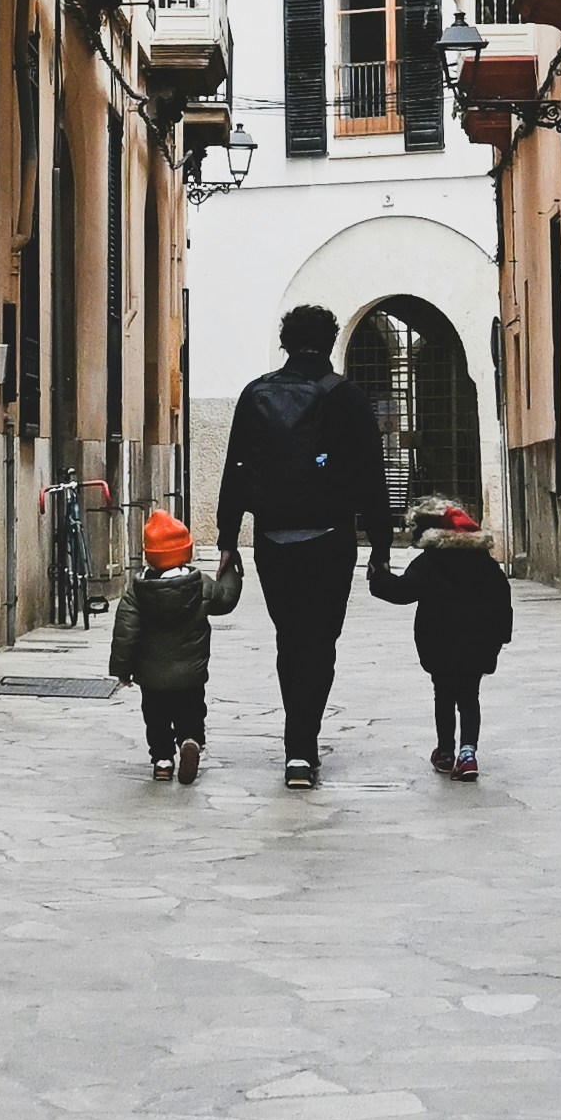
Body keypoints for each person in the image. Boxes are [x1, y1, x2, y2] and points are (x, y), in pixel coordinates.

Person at [215, 303, 395, 788]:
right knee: (320, 641)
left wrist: (228, 538)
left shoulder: (256, 393)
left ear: (286, 343)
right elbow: (372, 477)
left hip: (272, 539)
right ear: (332, 342)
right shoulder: (347, 397)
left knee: (288, 639)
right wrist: (381, 545)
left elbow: (235, 468)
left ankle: (296, 748)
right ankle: (302, 748)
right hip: (331, 541)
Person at [371, 493, 515, 777]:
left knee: (444, 695)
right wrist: (500, 638)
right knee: (469, 697)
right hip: (478, 645)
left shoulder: (430, 562)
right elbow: (503, 600)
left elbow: (402, 592)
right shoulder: (484, 563)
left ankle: (446, 752)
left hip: (440, 644)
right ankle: (468, 753)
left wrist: (379, 577)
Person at [107, 506, 235, 785]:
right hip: (191, 673)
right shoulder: (200, 584)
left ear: (151, 556)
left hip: (152, 678)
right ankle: (190, 740)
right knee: (191, 710)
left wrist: (122, 670)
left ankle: (163, 761)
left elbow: (125, 633)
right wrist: (232, 571)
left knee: (156, 718)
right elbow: (226, 599)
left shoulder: (137, 593)